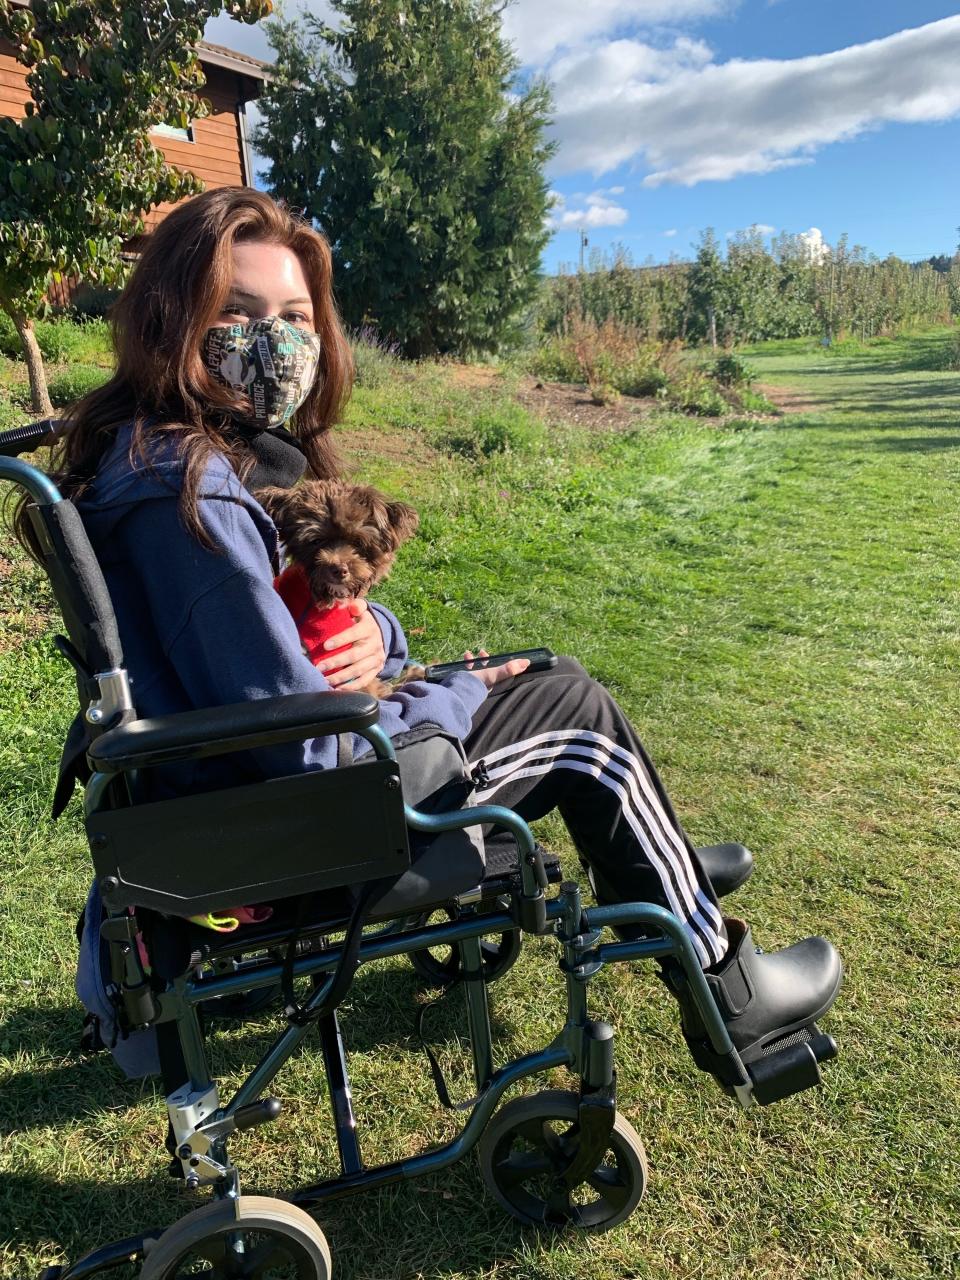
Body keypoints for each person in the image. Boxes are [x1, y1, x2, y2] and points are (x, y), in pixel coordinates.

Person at [17, 188, 840, 1090]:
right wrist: (462, 691)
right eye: (239, 315)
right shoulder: (196, 495)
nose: (278, 342)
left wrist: (381, 632)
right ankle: (730, 987)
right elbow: (305, 744)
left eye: (295, 317)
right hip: (303, 811)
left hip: (239, 783)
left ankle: (652, 866)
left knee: (544, 668)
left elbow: (290, 638)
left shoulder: (152, 455)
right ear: (176, 321)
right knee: (575, 712)